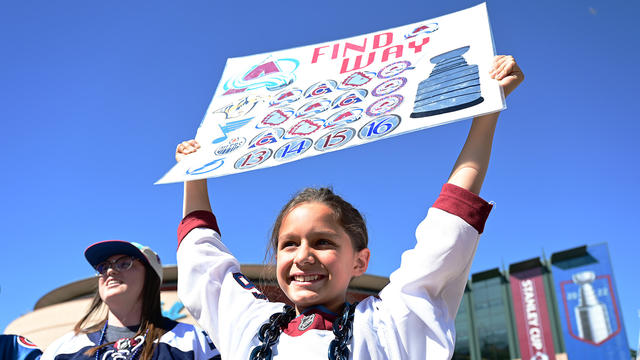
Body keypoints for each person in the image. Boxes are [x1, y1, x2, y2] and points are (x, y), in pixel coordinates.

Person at [174, 55, 524, 359]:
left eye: (323, 242)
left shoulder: (388, 325)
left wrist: (487, 112)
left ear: (360, 261)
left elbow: (447, 230)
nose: (303, 256)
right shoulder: (247, 324)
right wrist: (194, 174)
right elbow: (202, 260)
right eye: (289, 243)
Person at [41, 240, 220, 360]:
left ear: (151, 277)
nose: (110, 271)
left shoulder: (192, 340)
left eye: (124, 263)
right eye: (103, 267)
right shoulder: (64, 349)